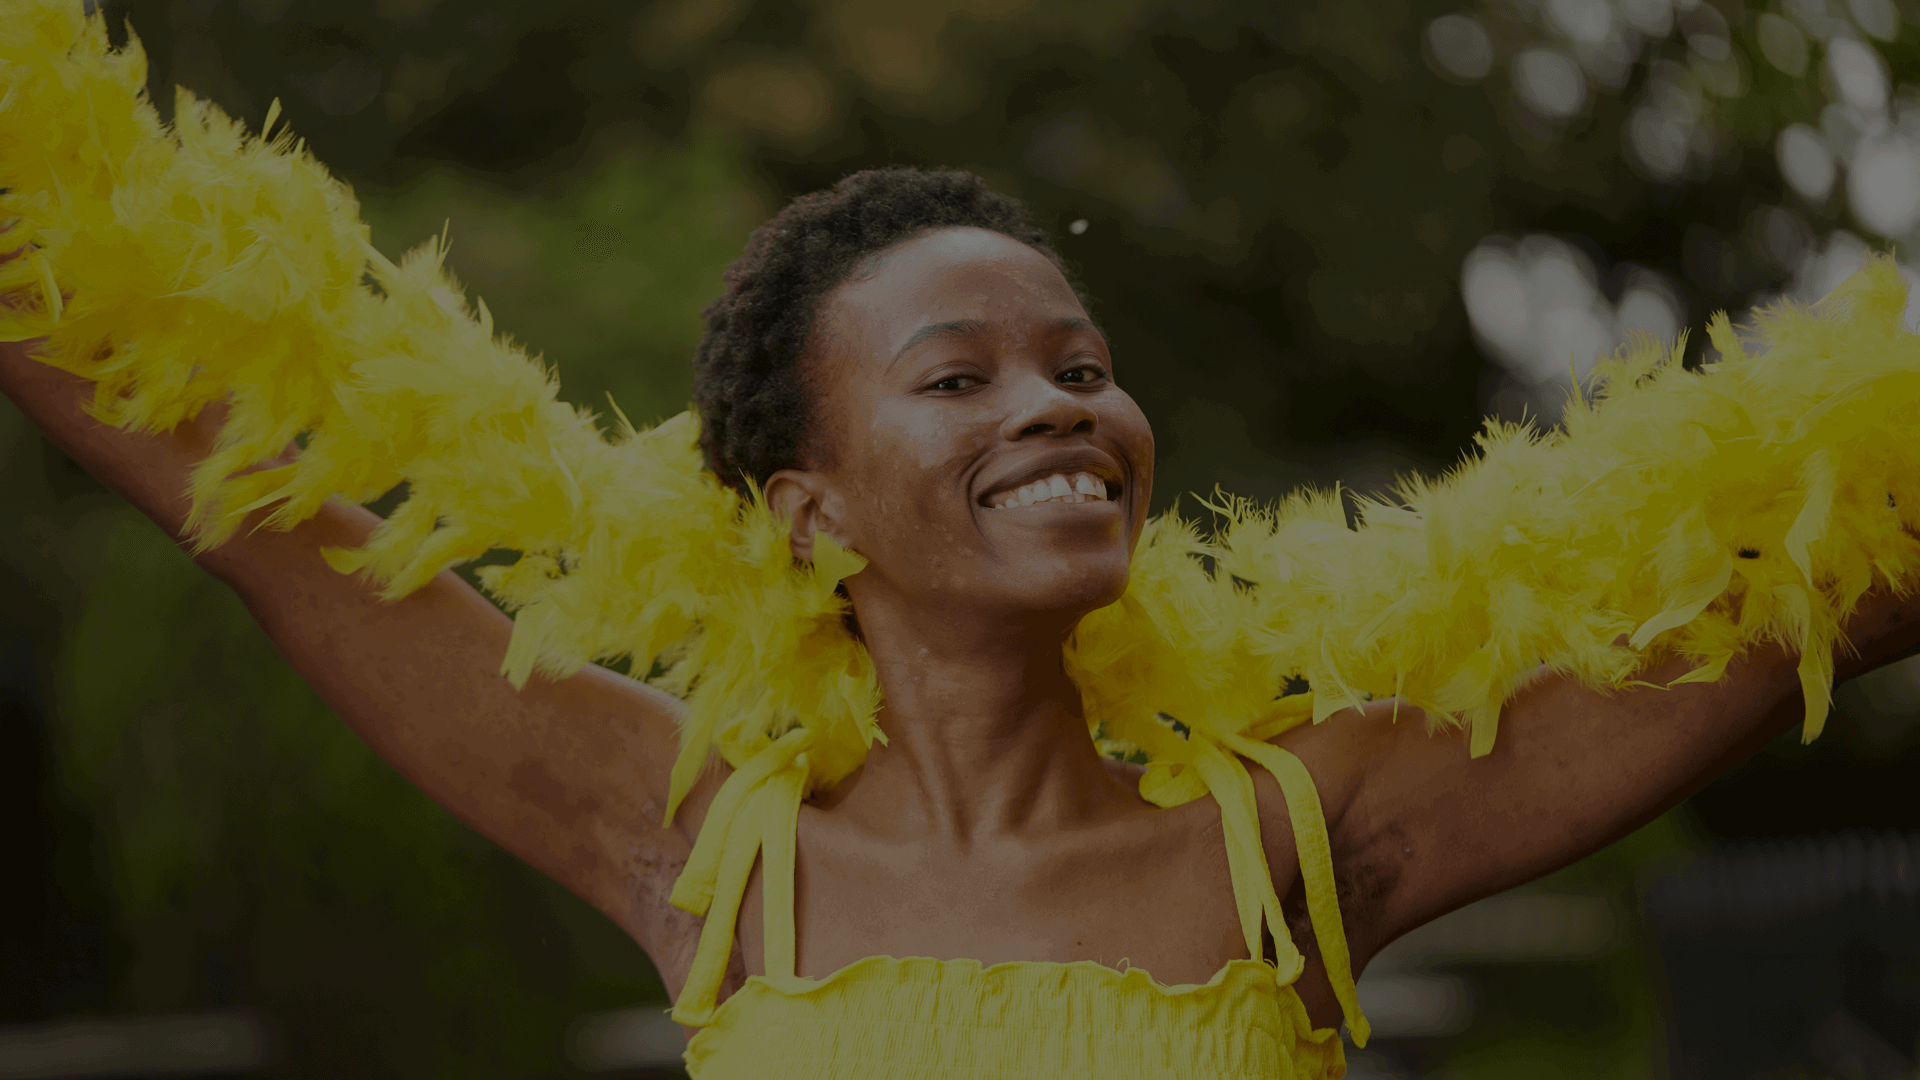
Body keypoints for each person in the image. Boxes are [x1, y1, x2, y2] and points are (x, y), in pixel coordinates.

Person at [5, 12, 1919, 1073]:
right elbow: (232, 497)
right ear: (808, 512)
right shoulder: (698, 844)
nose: (1060, 405)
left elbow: (1821, 589)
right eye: (960, 376)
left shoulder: (1293, 842)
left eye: (1081, 363)